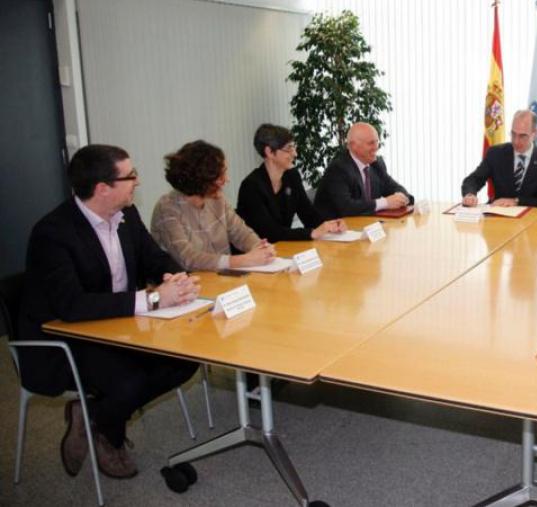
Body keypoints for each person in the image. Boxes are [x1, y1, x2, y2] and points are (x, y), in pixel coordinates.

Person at [19, 144, 201, 479]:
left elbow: (153, 256)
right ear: (103, 188)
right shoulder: (52, 233)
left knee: (185, 360)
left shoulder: (126, 215)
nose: (137, 182)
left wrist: (176, 276)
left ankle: (93, 415)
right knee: (128, 382)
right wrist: (154, 300)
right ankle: (108, 433)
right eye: (130, 175)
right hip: (66, 338)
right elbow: (72, 306)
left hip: (119, 325)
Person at [151, 140, 276, 271]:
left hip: (221, 280)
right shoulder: (167, 209)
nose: (226, 180)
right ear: (202, 179)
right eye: (220, 176)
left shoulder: (217, 199)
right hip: (188, 285)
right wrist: (243, 260)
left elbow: (241, 233)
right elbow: (188, 259)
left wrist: (260, 247)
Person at [237, 124, 347, 241]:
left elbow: (308, 214)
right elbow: (269, 233)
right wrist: (311, 233)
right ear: (269, 152)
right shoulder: (251, 186)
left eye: (294, 147)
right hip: (258, 253)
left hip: (284, 248)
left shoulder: (291, 176)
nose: (295, 154)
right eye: (288, 149)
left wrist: (330, 225)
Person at [314, 122, 415, 219]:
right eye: (371, 143)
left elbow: (395, 187)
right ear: (353, 146)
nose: (376, 147)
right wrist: (385, 202)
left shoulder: (377, 164)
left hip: (366, 225)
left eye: (377, 142)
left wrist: (401, 198)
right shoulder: (338, 169)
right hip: (333, 231)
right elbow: (347, 207)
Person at [461, 110, 537, 207]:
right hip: (498, 216)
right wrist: (470, 194)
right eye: (513, 134)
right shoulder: (495, 154)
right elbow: (473, 180)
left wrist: (517, 201)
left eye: (522, 136)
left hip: (531, 219)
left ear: (535, 134)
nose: (516, 141)